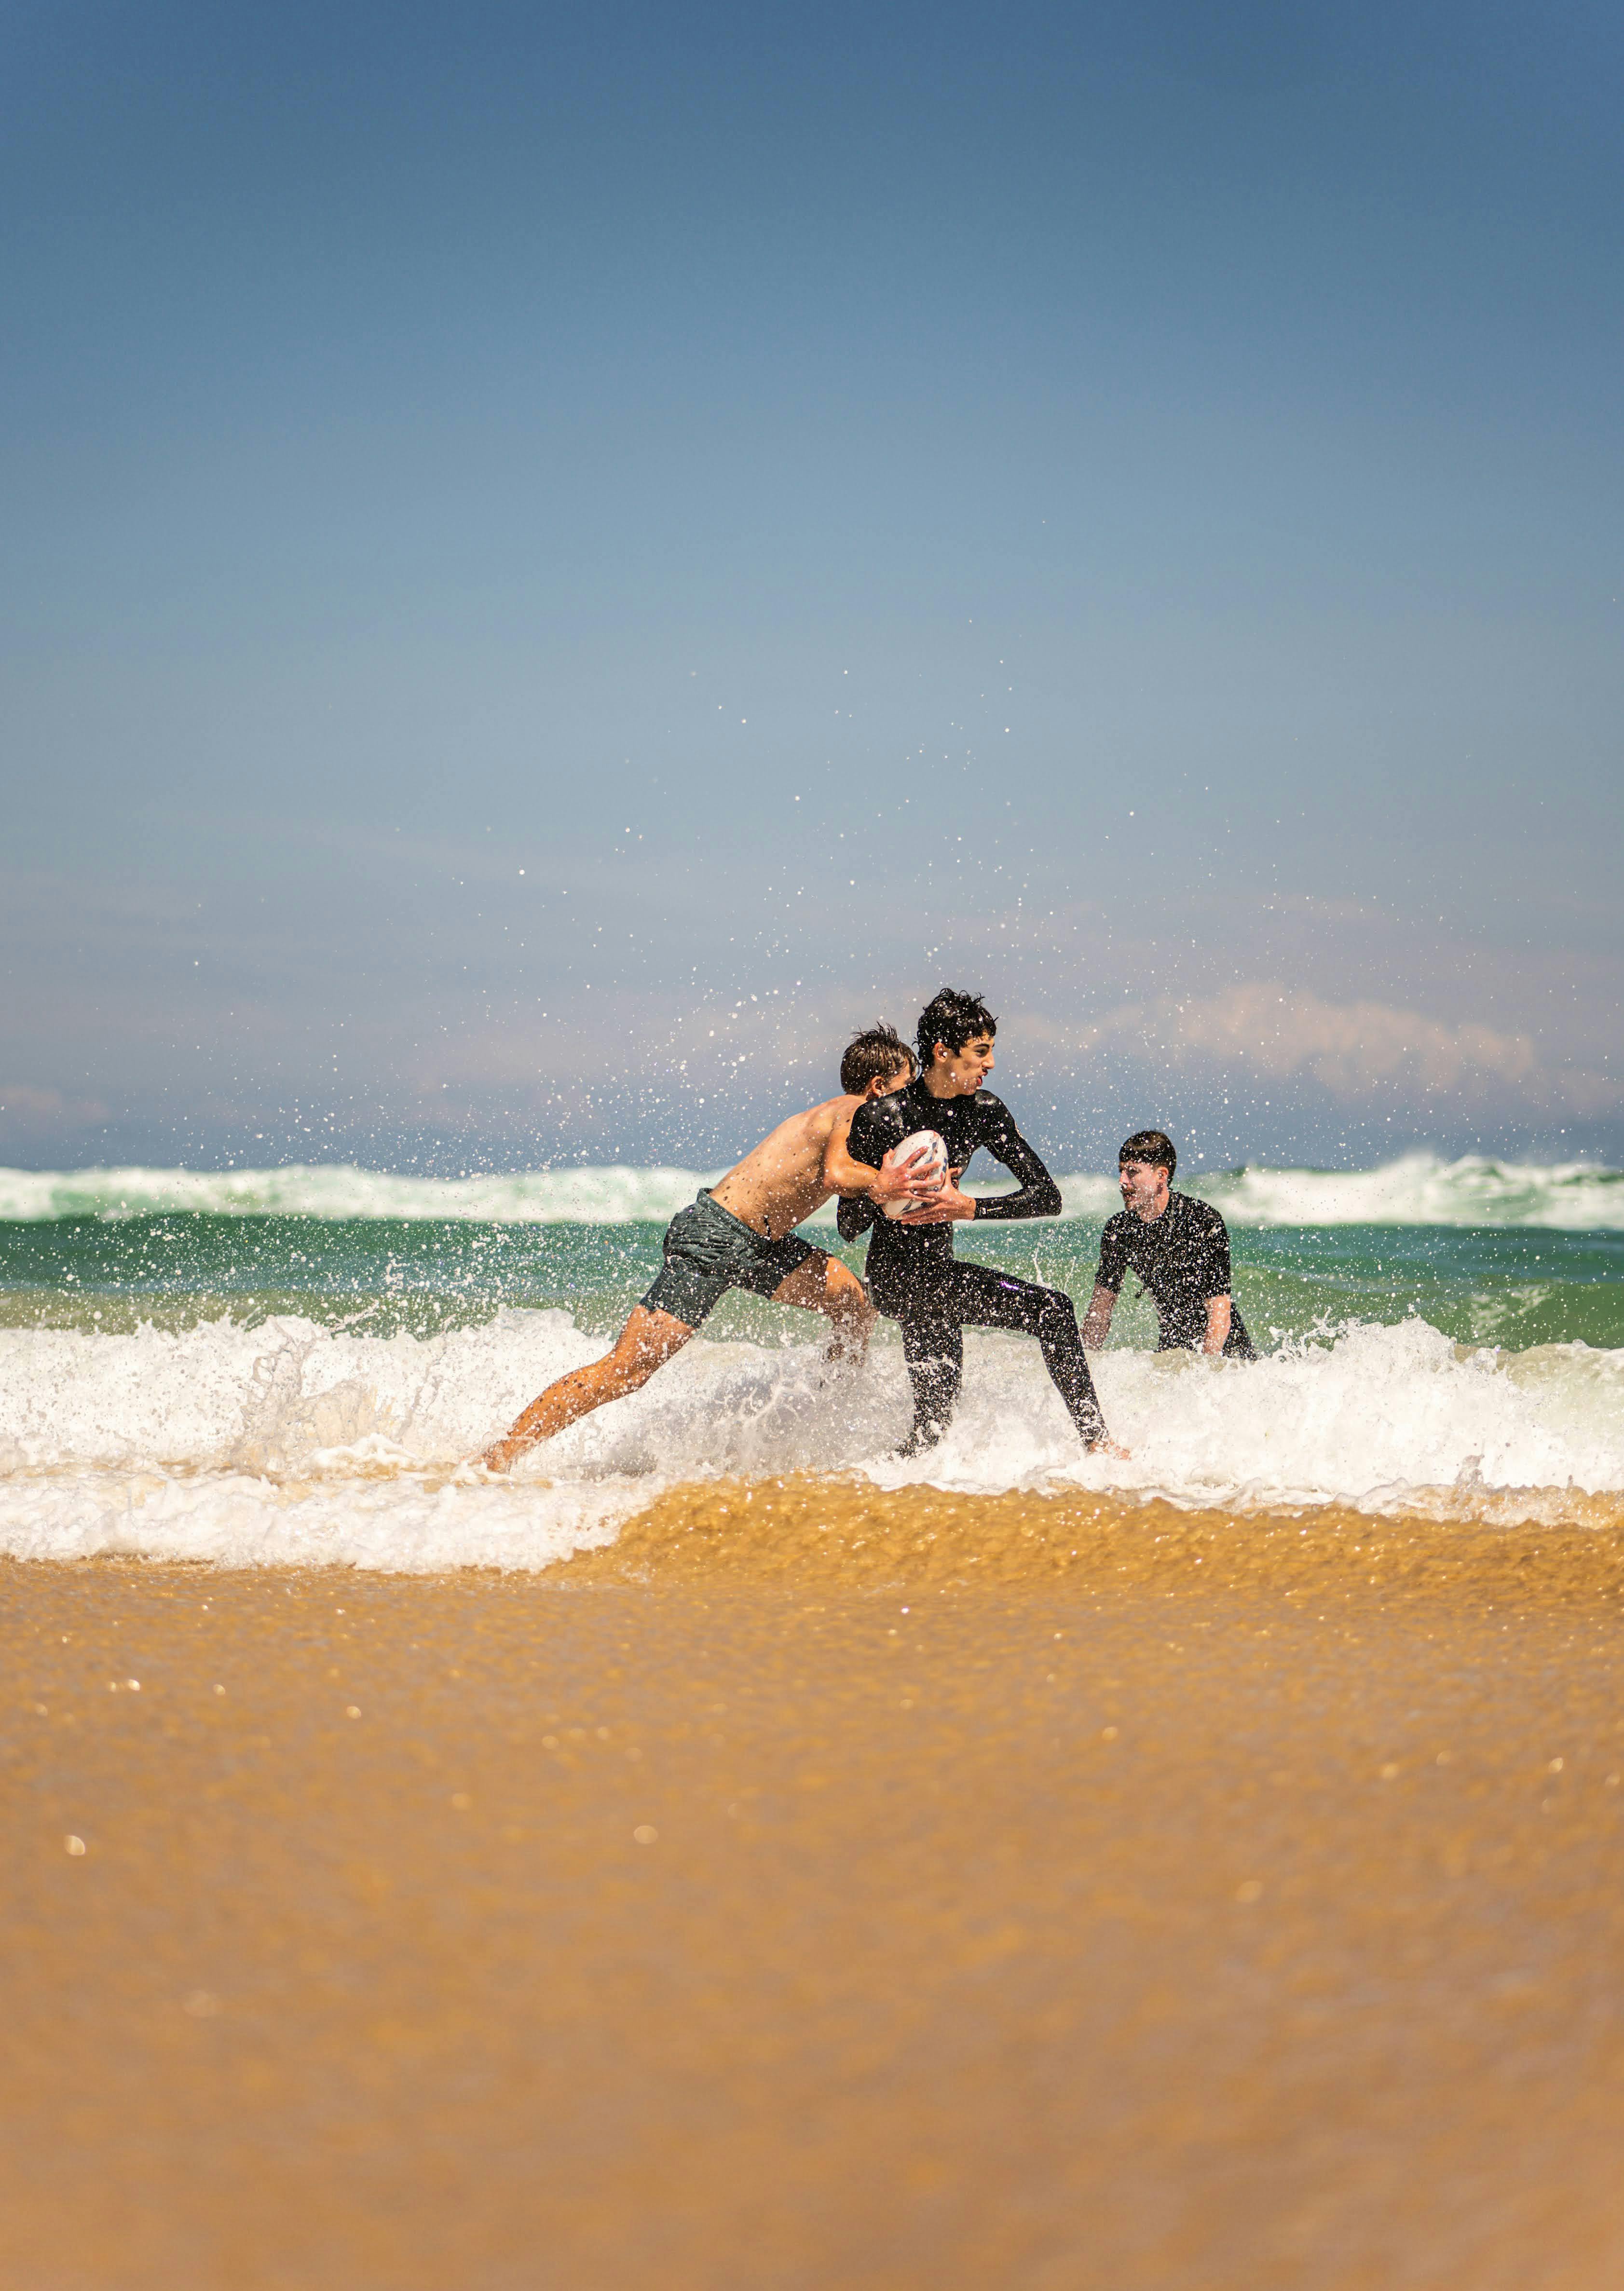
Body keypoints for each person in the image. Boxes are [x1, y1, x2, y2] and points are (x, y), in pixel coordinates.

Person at [481, 1025, 923, 1471]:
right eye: (905, 1088)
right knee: (627, 1371)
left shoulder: (852, 1126)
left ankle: (822, 1426)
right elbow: (836, 1176)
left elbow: (850, 1202)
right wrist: (888, 1183)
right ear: (877, 1087)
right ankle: (496, 1459)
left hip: (760, 1245)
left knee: (854, 1306)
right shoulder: (850, 1109)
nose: (909, 1103)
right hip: (716, 1235)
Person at [838, 989, 1120, 1458]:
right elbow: (848, 1225)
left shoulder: (983, 1113)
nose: (988, 1064)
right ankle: (1098, 1443)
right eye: (980, 1052)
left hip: (937, 1274)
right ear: (942, 1051)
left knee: (934, 1425)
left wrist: (967, 1207)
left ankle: (882, 1483)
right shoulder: (881, 1117)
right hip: (895, 1277)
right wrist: (883, 1190)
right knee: (1052, 1310)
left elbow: (1046, 1196)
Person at [1082, 1131, 1257, 1360]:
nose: (1122, 1181)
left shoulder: (1203, 1222)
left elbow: (1220, 1311)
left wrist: (1206, 1370)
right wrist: (1080, 1363)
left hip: (1228, 1357)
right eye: (1121, 1171)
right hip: (1173, 1351)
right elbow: (1101, 1311)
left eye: (1133, 1172)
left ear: (1161, 1176)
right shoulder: (1120, 1231)